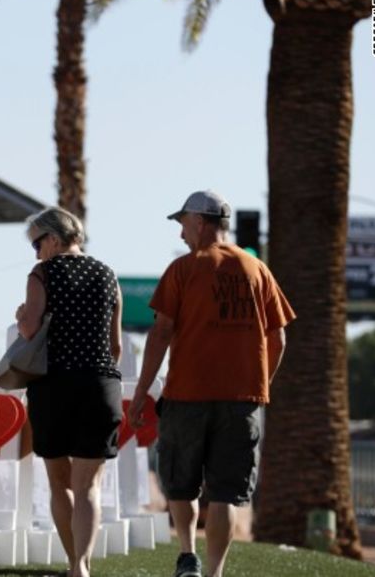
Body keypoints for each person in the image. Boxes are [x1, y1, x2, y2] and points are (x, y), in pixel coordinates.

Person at [129, 191, 294, 577]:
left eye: (183, 223)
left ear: (200, 222)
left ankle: (188, 556)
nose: (182, 233)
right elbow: (279, 338)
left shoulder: (183, 269)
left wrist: (140, 393)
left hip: (187, 395)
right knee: (226, 493)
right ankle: (216, 571)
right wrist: (260, 384)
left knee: (180, 483)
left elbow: (161, 333)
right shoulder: (256, 269)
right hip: (242, 400)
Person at [16, 206, 123, 577]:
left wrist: (20, 316)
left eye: (37, 243)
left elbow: (29, 329)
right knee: (89, 485)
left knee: (59, 482)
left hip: (55, 386)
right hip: (99, 385)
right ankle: (82, 567)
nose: (36, 252)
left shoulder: (42, 274)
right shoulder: (107, 274)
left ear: (55, 239)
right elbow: (116, 346)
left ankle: (74, 563)